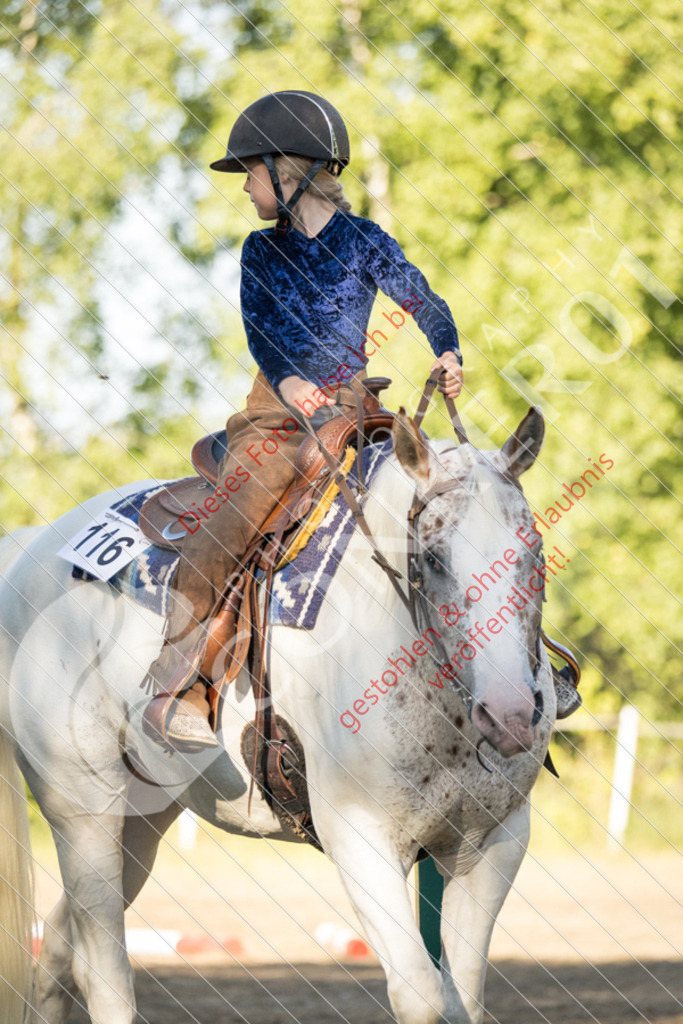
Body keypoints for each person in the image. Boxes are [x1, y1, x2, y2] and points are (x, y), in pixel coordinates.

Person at [141, 90, 465, 752]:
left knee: (449, 495)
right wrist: (290, 381)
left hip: (353, 405)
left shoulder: (365, 241)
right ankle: (183, 682)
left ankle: (505, 657)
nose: (246, 189)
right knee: (233, 516)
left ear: (287, 173)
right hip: (275, 413)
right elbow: (263, 329)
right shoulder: (261, 251)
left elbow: (419, 296)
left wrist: (447, 347)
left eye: (251, 174)